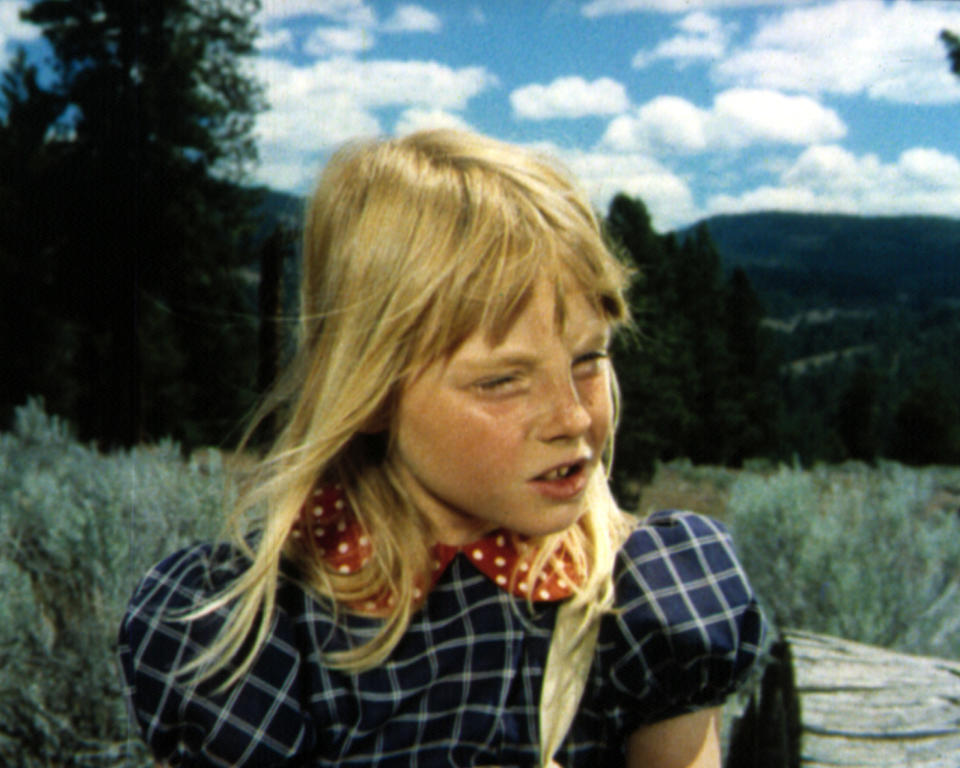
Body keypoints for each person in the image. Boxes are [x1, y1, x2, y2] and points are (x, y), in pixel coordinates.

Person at [119, 129, 766, 768]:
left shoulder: (639, 600)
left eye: (589, 358)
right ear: (369, 394)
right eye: (503, 380)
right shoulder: (266, 631)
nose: (571, 416)